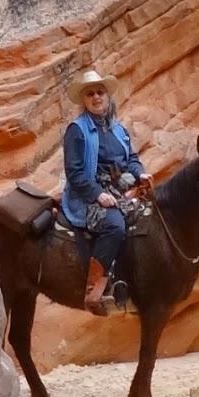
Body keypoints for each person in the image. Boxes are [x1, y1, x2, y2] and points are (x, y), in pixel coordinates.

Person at [60, 67, 150, 315]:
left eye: (100, 92)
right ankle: (94, 290)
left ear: (107, 96)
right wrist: (97, 194)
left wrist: (140, 173)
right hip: (87, 197)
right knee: (115, 226)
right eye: (91, 94)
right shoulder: (77, 130)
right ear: (84, 100)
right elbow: (74, 171)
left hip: (122, 192)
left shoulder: (118, 129)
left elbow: (131, 158)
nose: (97, 97)